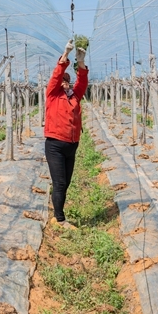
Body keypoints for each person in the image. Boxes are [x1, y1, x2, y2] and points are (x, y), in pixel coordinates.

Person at [44, 39, 88, 229]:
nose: (65, 84)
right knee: (60, 182)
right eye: (63, 81)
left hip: (72, 145)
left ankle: (58, 212)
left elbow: (83, 82)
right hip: (55, 144)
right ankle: (60, 219)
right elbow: (56, 76)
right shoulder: (52, 95)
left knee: (66, 182)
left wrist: (81, 63)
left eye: (67, 82)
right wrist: (65, 55)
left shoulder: (74, 97)